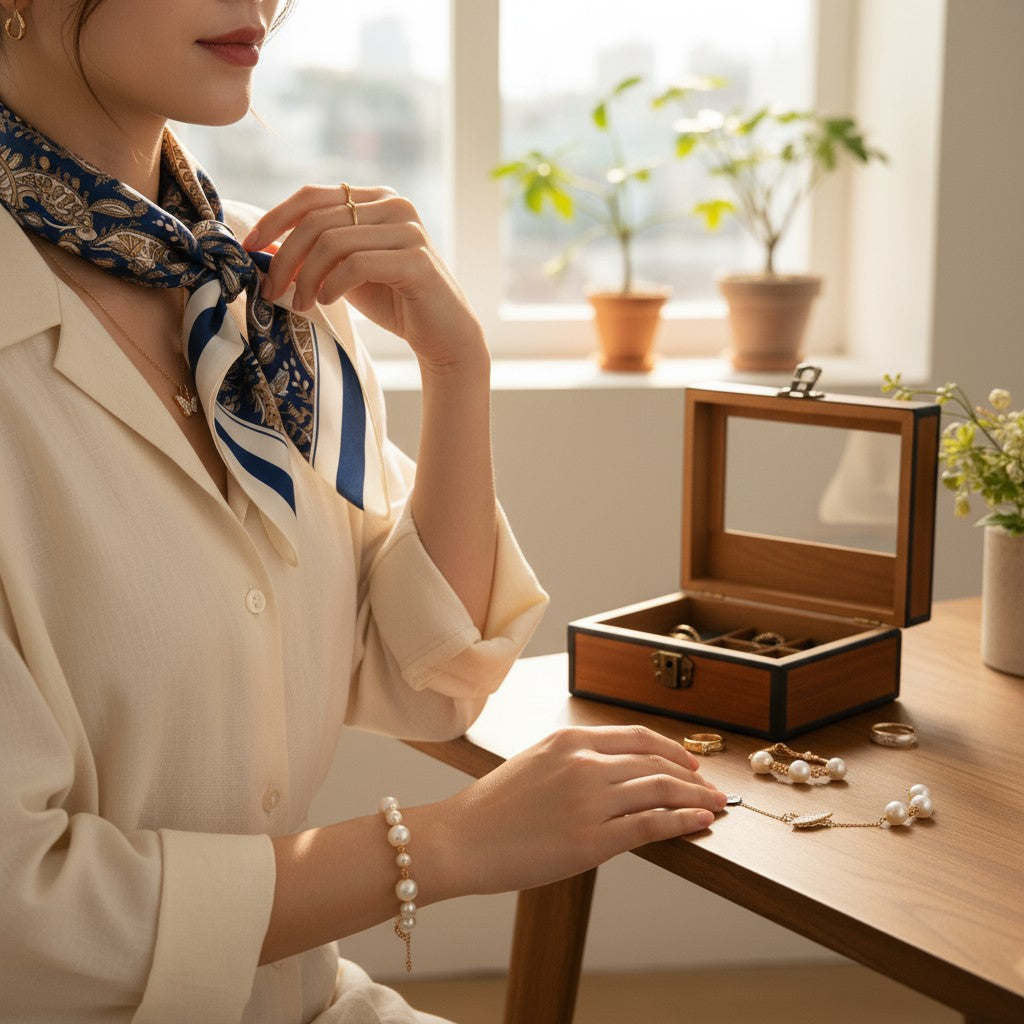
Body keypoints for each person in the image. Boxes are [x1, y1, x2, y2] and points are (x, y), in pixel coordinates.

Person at [0, 2, 728, 1022]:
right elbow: (22, 919)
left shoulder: (259, 281)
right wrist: (449, 845)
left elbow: (423, 672)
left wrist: (454, 364)